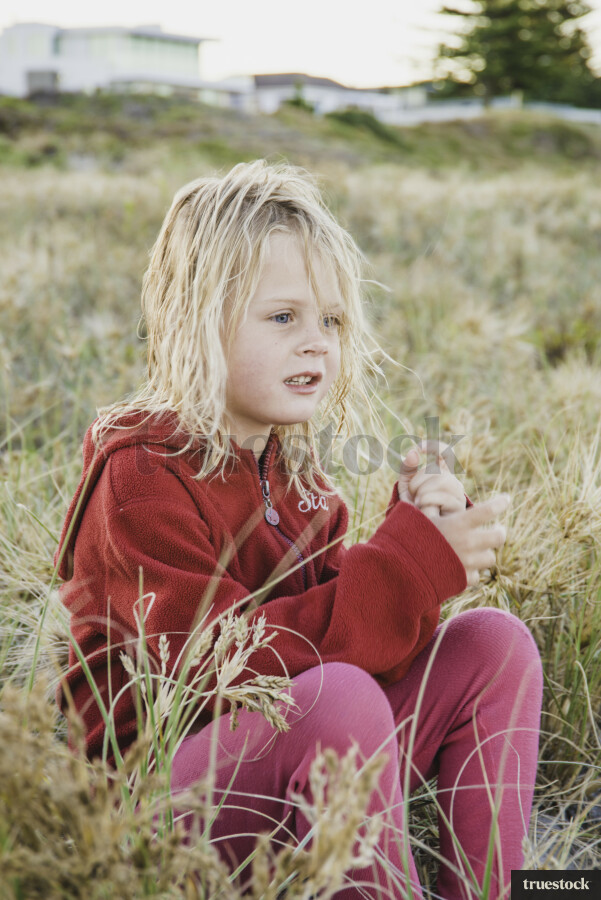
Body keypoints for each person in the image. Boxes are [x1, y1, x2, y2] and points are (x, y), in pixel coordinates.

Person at [56, 160, 542, 899]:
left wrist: (412, 532)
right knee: (334, 697)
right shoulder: (140, 480)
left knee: (493, 644)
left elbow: (350, 647)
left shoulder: (304, 484)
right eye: (283, 318)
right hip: (158, 805)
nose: (316, 342)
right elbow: (221, 669)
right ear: (197, 321)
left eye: (332, 321)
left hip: (289, 763)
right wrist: (404, 566)